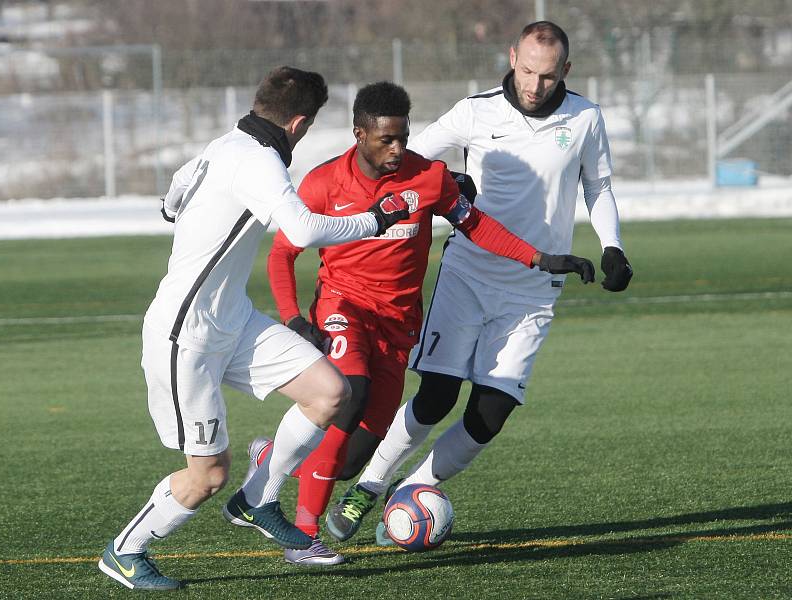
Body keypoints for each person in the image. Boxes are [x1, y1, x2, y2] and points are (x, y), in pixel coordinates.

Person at [252, 81, 594, 565]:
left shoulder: (429, 178)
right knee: (348, 395)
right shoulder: (323, 183)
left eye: (403, 138)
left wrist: (539, 258)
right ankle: (304, 537)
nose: (397, 150)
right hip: (342, 306)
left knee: (350, 460)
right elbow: (282, 255)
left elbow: (476, 225)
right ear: (358, 134)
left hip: (397, 326)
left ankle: (272, 458)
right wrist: (291, 317)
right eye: (385, 140)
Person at [97, 66, 410, 591]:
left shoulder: (225, 145)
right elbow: (304, 229)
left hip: (232, 318)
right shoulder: (259, 160)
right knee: (207, 476)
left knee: (329, 392)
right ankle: (125, 550)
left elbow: (172, 197)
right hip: (185, 334)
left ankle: (257, 499)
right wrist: (372, 221)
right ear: (300, 123)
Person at [331, 21, 634, 545]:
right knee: (436, 397)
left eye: (547, 75)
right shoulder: (476, 110)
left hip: (535, 287)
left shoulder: (585, 117)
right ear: (512, 56)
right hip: (469, 274)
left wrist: (613, 246)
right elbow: (410, 157)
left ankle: (414, 490)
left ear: (566, 70)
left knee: (492, 413)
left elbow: (598, 185)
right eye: (527, 71)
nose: (535, 86)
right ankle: (369, 487)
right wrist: (451, 181)